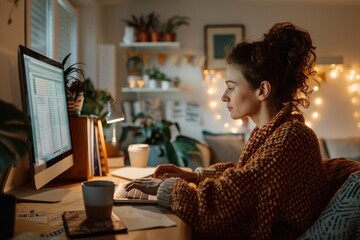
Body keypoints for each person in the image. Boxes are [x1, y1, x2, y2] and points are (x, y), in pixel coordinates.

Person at [125, 22, 336, 239]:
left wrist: (169, 188)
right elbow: (246, 178)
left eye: (231, 87)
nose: (224, 96)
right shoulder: (273, 131)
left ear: (262, 90)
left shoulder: (291, 137)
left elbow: (228, 202)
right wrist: (193, 176)